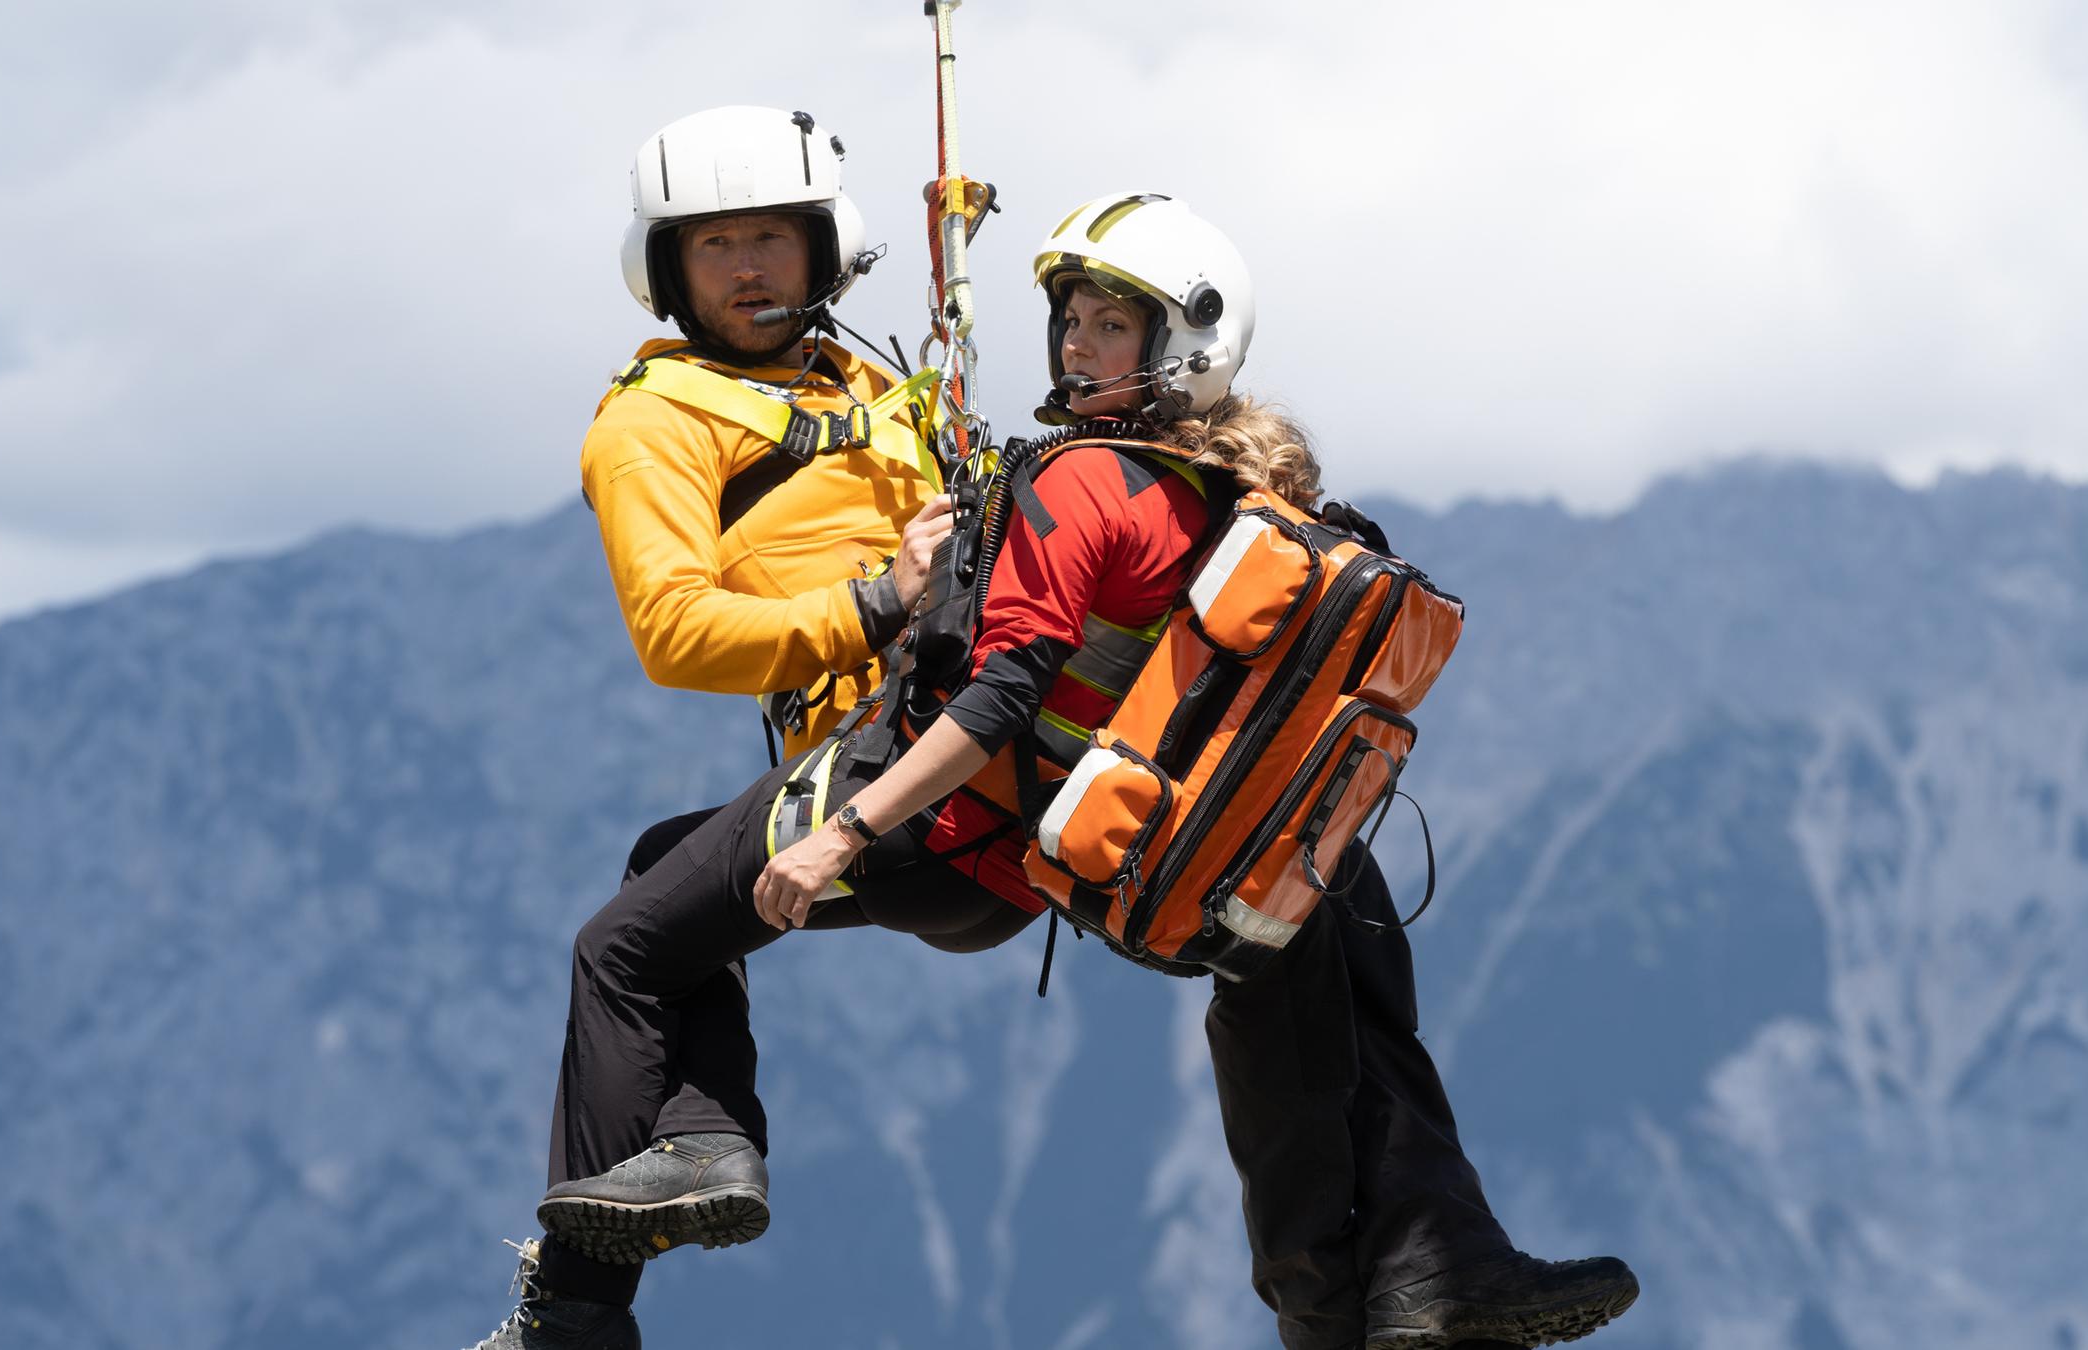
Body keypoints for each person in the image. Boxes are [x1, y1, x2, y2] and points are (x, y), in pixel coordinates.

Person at [462, 178, 1637, 1350]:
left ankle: (587, 1302)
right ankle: (1412, 1277)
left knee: (627, 940)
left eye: (1108, 323)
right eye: (1070, 319)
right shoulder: (1241, 506)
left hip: (935, 818)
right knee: (1324, 929)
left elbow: (1002, 691)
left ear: (1177, 344)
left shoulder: (1080, 481)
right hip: (1084, 852)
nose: (1075, 343)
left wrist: (847, 826)